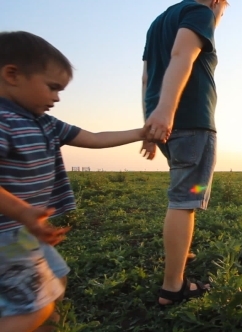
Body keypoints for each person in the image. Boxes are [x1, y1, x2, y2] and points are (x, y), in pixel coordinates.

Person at [0, 31, 146, 331]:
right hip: (7, 234)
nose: (56, 97)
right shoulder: (4, 121)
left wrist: (142, 132)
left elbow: (93, 138)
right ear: (12, 75)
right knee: (33, 309)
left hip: (26, 232)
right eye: (52, 87)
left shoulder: (45, 123)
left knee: (58, 276)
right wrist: (22, 211)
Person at [140, 0, 229, 306]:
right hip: (190, 120)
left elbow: (146, 77)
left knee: (181, 196)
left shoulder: (160, 21)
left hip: (166, 125)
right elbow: (182, 55)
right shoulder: (199, 13)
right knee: (184, 202)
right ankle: (173, 288)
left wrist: (150, 124)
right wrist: (166, 112)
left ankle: (179, 256)